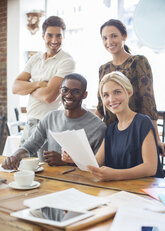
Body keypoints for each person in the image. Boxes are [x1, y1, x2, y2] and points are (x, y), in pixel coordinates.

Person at [63, 72, 164, 180]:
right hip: (120, 191)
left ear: (129, 92)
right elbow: (95, 162)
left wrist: (115, 174)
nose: (111, 99)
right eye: (106, 95)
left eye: (117, 92)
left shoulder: (143, 122)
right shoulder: (111, 129)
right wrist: (74, 158)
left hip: (146, 192)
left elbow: (150, 168)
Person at [2, 73, 106, 170]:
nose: (69, 95)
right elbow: (30, 146)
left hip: (82, 183)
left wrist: (65, 162)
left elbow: (97, 166)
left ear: (85, 95)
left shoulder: (98, 127)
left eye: (76, 92)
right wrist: (15, 156)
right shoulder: (50, 117)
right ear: (60, 90)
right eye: (65, 90)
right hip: (50, 180)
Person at [95, 19, 165, 156]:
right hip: (113, 133)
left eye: (114, 36)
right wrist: (82, 130)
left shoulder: (138, 62)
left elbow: (148, 102)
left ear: (124, 36)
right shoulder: (103, 69)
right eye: (105, 38)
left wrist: (156, 139)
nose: (109, 41)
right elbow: (100, 107)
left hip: (136, 132)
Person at [12, 16, 75, 158]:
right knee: (22, 168)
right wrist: (40, 84)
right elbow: (15, 87)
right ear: (43, 36)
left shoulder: (67, 61)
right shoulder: (35, 58)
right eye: (50, 35)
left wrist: (28, 88)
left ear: (63, 37)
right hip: (29, 124)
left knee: (45, 173)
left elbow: (48, 96)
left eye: (59, 36)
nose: (54, 40)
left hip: (49, 126)